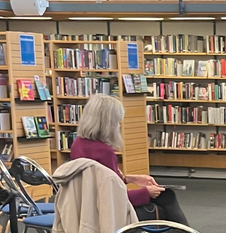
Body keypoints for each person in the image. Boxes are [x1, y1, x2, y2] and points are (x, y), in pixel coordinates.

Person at [71, 94, 188, 224]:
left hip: (86, 207)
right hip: (107, 211)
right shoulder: (104, 152)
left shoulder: (78, 143)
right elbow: (114, 197)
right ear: (108, 123)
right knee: (166, 197)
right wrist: (146, 192)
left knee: (164, 198)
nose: (118, 126)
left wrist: (130, 179)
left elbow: (101, 182)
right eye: (116, 122)